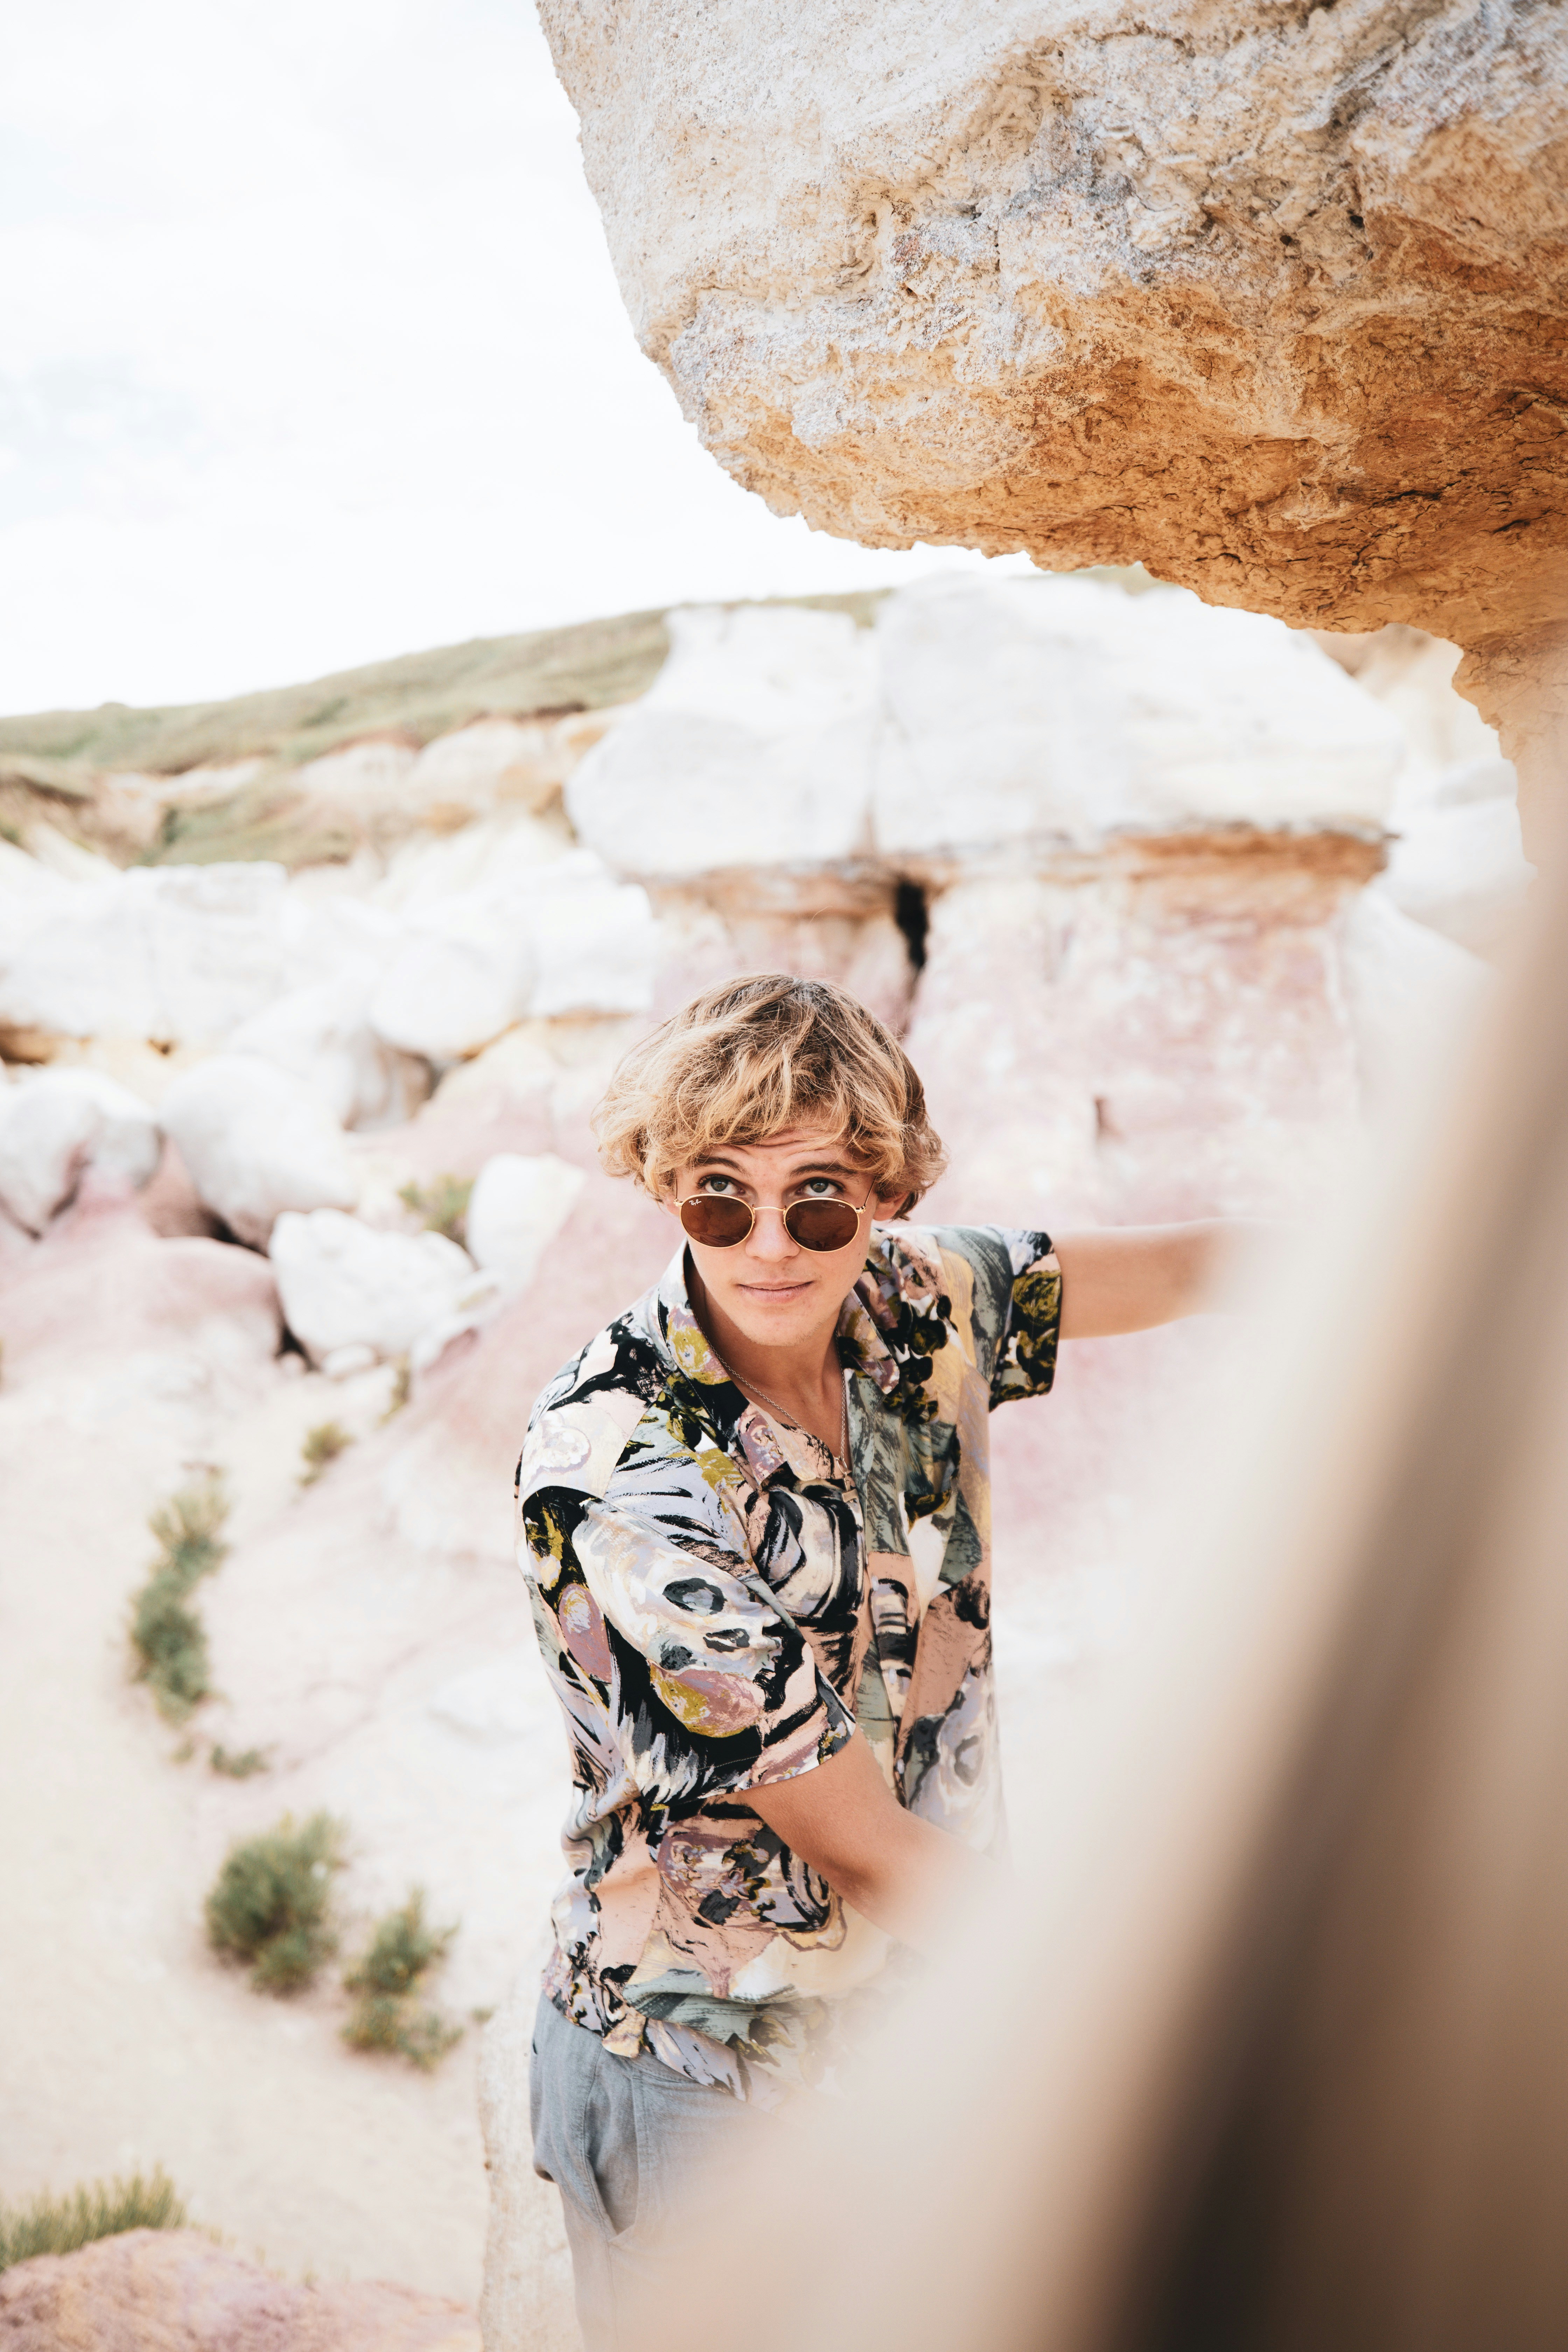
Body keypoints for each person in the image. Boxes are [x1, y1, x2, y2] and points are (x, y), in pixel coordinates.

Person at [516, 972, 1245, 2346]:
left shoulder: (920, 1303)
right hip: (701, 2082)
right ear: (665, 1185)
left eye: (822, 1195)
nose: (772, 1243)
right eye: (719, 1193)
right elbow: (857, 1850)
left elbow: (1204, 1263)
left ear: (886, 1194)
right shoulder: (618, 1467)